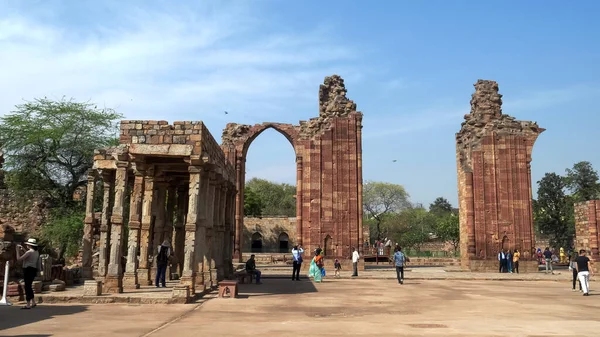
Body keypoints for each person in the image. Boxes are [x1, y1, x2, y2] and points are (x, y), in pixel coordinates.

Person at [16, 238, 40, 309]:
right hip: (33, 269)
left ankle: (28, 304)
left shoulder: (29, 252)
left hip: (28, 269)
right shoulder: (36, 252)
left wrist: (17, 250)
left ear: (30, 245)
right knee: (29, 286)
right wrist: (23, 249)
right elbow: (28, 254)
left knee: (27, 287)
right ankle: (33, 302)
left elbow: (19, 259)